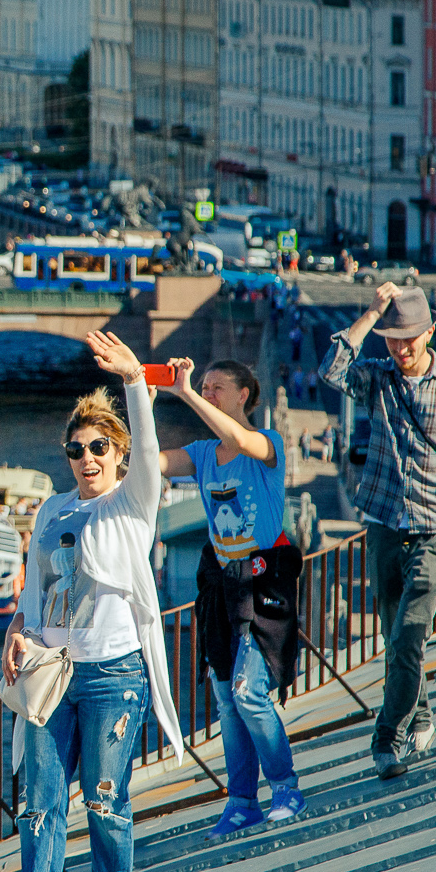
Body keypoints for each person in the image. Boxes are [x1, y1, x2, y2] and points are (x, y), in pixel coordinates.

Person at [0, 331, 186, 872]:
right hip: (52, 674)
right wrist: (17, 631)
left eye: (98, 447)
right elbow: (35, 587)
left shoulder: (131, 505)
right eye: (76, 449)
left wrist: (136, 380)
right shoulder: (50, 509)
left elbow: (152, 447)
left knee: (104, 793)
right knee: (39, 798)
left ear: (119, 452)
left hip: (114, 672)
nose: (85, 458)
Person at [322, 283, 436, 780]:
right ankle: (420, 714)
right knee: (395, 634)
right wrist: (371, 313)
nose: (401, 349)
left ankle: (387, 737)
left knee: (408, 635)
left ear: (431, 331)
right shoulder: (378, 378)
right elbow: (331, 369)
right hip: (383, 521)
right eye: (393, 340)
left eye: (410, 339)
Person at [156, 358, 305, 836]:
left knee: (248, 690)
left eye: (217, 387)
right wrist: (132, 392)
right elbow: (152, 462)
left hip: (264, 584)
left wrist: (185, 393)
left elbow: (240, 440)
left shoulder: (267, 445)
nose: (208, 392)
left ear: (244, 394)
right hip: (223, 587)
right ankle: (242, 800)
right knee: (225, 697)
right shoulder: (202, 454)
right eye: (204, 387)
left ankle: (285, 785)